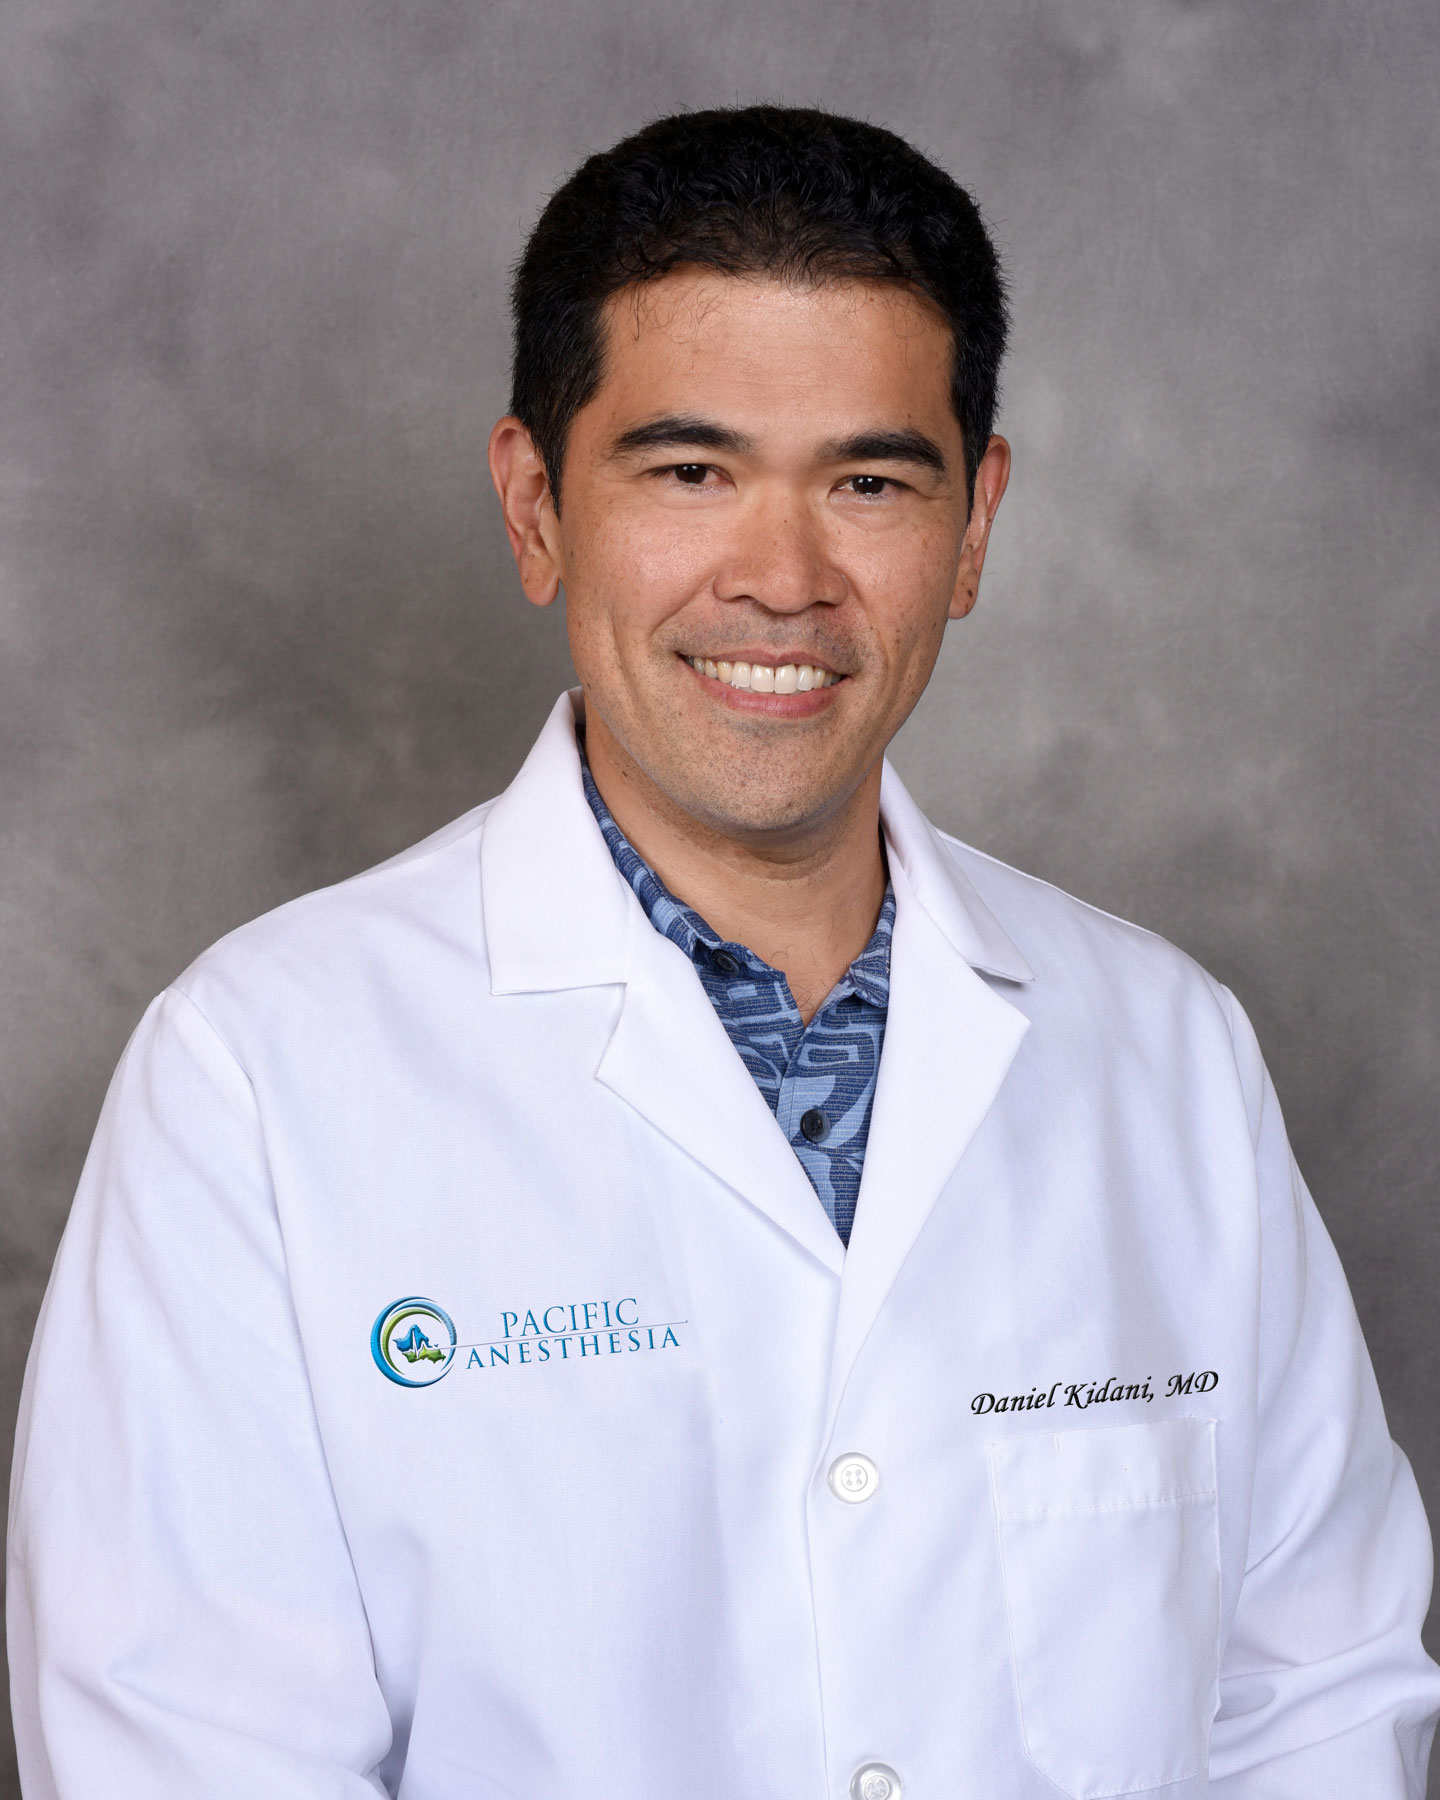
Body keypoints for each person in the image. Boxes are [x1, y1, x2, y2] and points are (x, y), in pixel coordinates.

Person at [8, 106, 1438, 1800]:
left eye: (871, 480)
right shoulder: (253, 1078)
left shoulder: (1169, 1054)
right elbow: (192, 1758)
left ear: (974, 524)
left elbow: (1316, 1705)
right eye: (691, 471)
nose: (783, 579)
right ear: (538, 506)